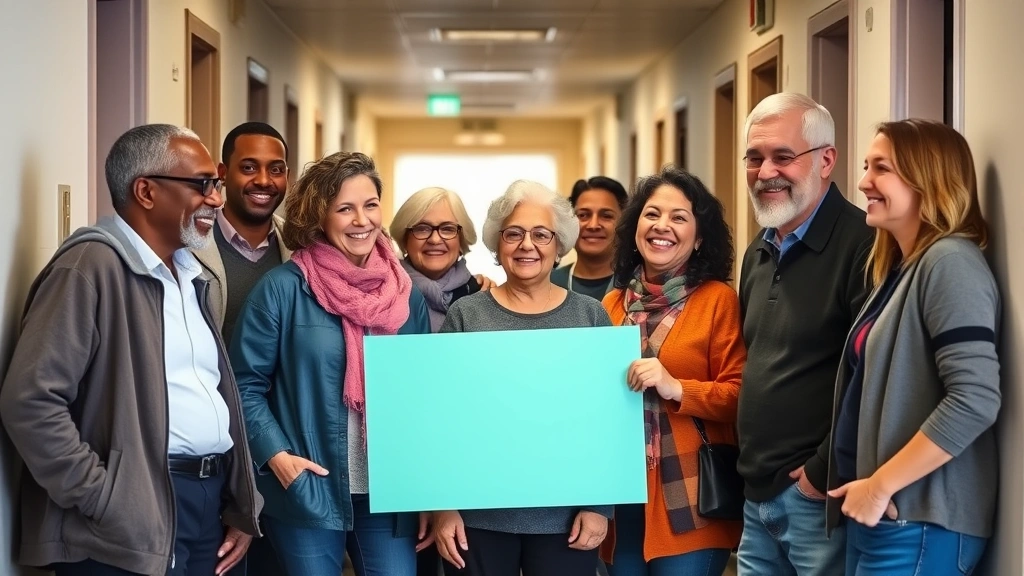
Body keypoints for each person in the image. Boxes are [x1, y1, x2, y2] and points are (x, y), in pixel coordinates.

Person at [0, 124, 262, 576]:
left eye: (216, 185)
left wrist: (239, 501)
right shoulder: (89, 268)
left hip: (208, 508)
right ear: (145, 191)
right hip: (126, 521)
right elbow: (30, 401)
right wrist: (106, 498)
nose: (217, 200)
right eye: (203, 185)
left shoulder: (189, 273)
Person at [230, 151, 431, 576]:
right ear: (319, 215)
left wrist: (424, 486)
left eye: (370, 205)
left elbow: (419, 394)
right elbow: (242, 385)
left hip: (387, 490)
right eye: (345, 208)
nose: (362, 220)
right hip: (309, 487)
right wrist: (279, 458)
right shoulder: (283, 289)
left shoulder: (405, 294)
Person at [826, 119, 1000, 575]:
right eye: (866, 166)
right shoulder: (902, 268)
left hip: (920, 522)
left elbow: (976, 399)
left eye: (881, 168)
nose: (863, 181)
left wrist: (881, 485)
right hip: (884, 519)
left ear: (928, 178)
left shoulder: (951, 262)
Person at [433, 180, 613, 576]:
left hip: (566, 518)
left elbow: (607, 420)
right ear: (498, 246)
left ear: (559, 244)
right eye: (513, 234)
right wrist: (443, 507)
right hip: (476, 517)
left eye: (540, 234)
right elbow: (442, 417)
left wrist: (600, 506)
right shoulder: (467, 315)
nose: (526, 245)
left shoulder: (591, 316)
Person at [735, 93, 874, 576]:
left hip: (817, 501)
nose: (765, 171)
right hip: (757, 500)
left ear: (826, 160)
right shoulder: (757, 251)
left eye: (783, 156)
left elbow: (871, 377)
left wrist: (820, 472)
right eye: (754, 158)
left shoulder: (865, 245)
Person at [599, 167, 745, 576]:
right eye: (652, 214)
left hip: (691, 500)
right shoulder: (611, 304)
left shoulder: (718, 301)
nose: (662, 226)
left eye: (679, 217)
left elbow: (740, 396)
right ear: (635, 228)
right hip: (621, 497)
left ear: (699, 238)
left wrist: (675, 386)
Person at [194, 121, 292, 343]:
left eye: (275, 170)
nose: (264, 180)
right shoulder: (189, 245)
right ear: (223, 173)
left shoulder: (300, 247)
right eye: (249, 168)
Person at [390, 186, 494, 334]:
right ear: (405, 238)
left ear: (461, 240)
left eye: (447, 229)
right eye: (422, 228)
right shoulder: (384, 293)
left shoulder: (482, 294)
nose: (434, 239)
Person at [551, 176, 628, 300]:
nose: (593, 225)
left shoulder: (637, 286)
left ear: (624, 223)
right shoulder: (547, 284)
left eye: (606, 216)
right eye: (583, 215)